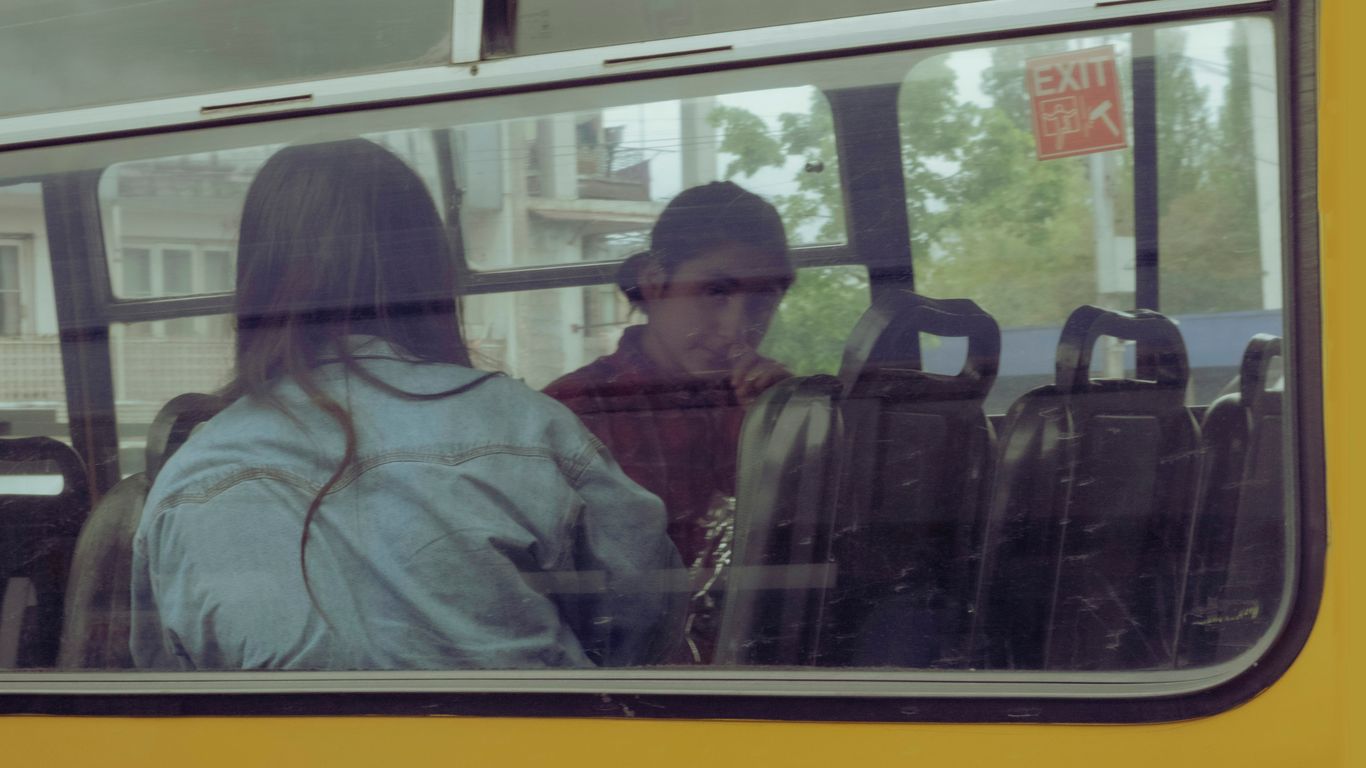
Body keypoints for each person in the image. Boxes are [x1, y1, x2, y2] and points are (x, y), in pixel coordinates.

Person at [130, 139, 683, 671]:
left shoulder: (188, 480)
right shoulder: (527, 428)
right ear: (429, 273)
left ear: (257, 283)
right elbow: (644, 617)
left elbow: (171, 682)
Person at [543, 182, 795, 659]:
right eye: (715, 292)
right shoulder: (575, 411)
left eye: (762, 303)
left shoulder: (767, 406)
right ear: (655, 283)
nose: (737, 328)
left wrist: (791, 430)